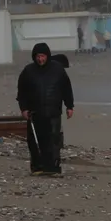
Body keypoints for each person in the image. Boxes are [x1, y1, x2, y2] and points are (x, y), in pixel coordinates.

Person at [16, 42, 75, 176]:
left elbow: (66, 88)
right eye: (38, 56)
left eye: (42, 56)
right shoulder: (28, 71)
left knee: (54, 141)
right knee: (35, 142)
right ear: (34, 57)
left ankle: (53, 168)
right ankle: (37, 167)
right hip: (34, 113)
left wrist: (69, 106)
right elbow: (22, 93)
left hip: (53, 112)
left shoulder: (58, 69)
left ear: (47, 56)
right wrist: (24, 109)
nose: (40, 59)